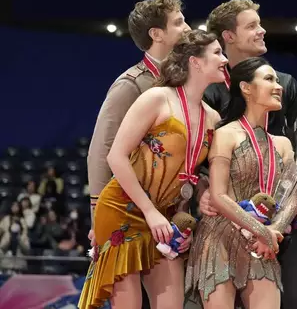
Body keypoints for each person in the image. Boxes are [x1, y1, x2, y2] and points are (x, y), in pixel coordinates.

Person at [78, 30, 227, 309]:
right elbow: (116, 156)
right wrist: (149, 211)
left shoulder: (213, 117)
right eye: (217, 52)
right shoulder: (157, 97)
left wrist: (182, 220)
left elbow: (188, 176)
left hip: (166, 218)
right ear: (195, 61)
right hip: (124, 208)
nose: (224, 59)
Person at [197, 0, 297, 309]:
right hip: (227, 221)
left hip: (281, 219)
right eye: (251, 25)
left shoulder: (287, 85)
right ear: (228, 36)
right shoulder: (209, 90)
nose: (262, 30)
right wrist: (202, 191)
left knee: (295, 301)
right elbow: (195, 158)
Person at [186, 57, 297, 309]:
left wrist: (272, 233)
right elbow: (218, 196)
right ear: (246, 88)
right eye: (269, 79)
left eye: (278, 80)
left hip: (263, 242)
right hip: (220, 237)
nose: (279, 86)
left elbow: (291, 197)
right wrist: (263, 232)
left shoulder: (284, 144)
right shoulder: (225, 134)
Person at [87, 0, 191, 243]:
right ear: (157, 34)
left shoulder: (186, 83)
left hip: (170, 208)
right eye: (178, 22)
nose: (188, 28)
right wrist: (97, 217)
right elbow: (102, 149)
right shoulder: (130, 85)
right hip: (131, 208)